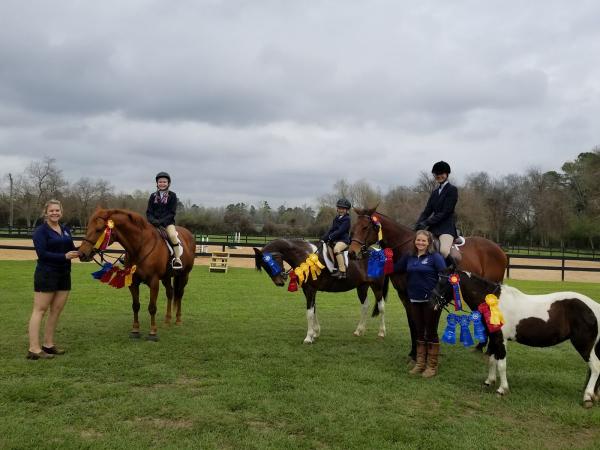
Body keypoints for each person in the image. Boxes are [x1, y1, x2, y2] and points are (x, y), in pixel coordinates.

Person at [27, 199, 80, 360]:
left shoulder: (64, 229)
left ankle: (48, 345)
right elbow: (42, 254)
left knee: (56, 310)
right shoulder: (40, 232)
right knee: (40, 310)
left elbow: (72, 249)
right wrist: (64, 256)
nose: (55, 213)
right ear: (46, 213)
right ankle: (34, 349)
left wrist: (88, 249)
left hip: (64, 274)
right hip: (47, 274)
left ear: (61, 212)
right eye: (52, 211)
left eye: (57, 210)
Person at [394, 230, 446, 377]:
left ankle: (432, 366)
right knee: (418, 330)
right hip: (414, 299)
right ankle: (420, 363)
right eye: (418, 240)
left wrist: (437, 296)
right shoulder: (409, 257)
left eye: (423, 241)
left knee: (430, 332)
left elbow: (445, 276)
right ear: (414, 241)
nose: (420, 243)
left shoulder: (435, 257)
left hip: (431, 301)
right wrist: (380, 258)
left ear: (429, 242)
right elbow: (394, 268)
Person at [414, 161, 458, 265]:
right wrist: (418, 224)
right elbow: (427, 211)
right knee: (419, 245)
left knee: (443, 251)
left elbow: (446, 212)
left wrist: (427, 222)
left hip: (446, 228)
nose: (439, 176)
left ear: (447, 174)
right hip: (433, 229)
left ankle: (450, 273)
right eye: (437, 174)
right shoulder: (434, 193)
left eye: (442, 174)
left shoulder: (452, 190)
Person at [146, 171, 183, 269]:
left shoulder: (172, 196)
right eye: (160, 182)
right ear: (157, 183)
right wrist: (152, 220)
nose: (162, 184)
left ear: (168, 183)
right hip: (153, 223)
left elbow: (172, 212)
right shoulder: (153, 196)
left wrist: (161, 221)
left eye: (164, 182)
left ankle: (177, 258)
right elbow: (149, 211)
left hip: (167, 223)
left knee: (172, 235)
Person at [321, 198, 352, 279]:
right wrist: (324, 238)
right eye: (339, 208)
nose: (341, 210)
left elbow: (341, 231)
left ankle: (342, 271)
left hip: (344, 240)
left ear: (347, 210)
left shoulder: (347, 219)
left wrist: (331, 236)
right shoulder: (336, 218)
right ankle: (335, 267)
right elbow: (332, 229)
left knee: (337, 249)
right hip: (336, 240)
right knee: (328, 247)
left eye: (343, 209)